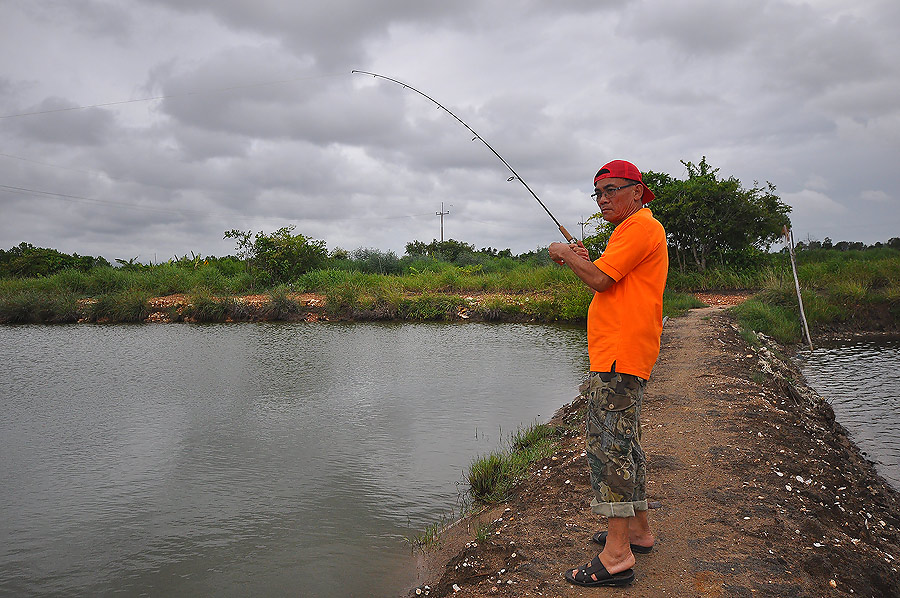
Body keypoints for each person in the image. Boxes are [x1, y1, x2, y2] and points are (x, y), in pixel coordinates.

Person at [548, 159, 668, 588]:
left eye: (612, 190)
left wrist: (566, 254)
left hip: (619, 356)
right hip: (623, 353)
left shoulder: (639, 227)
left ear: (637, 191)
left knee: (609, 448)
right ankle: (638, 532)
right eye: (597, 193)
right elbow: (608, 276)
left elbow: (600, 280)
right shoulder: (633, 230)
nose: (603, 199)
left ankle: (616, 556)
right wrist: (585, 259)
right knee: (627, 443)